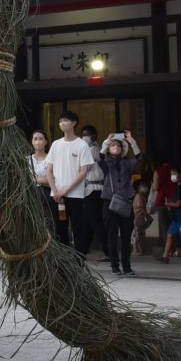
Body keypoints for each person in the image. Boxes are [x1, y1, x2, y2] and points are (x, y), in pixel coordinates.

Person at [96, 131, 140, 275]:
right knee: (112, 235)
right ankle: (115, 266)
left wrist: (132, 142)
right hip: (109, 202)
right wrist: (106, 142)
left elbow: (139, 158)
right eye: (113, 145)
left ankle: (127, 267)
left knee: (126, 235)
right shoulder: (107, 164)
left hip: (126, 202)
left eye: (118, 145)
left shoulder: (127, 163)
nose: (115, 147)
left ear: (122, 149)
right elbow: (100, 157)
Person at [47, 111, 93, 248]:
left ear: (74, 123)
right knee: (60, 228)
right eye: (60, 121)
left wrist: (65, 190)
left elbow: (83, 173)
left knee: (77, 228)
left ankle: (78, 261)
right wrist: (55, 190)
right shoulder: (55, 144)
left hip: (75, 195)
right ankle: (64, 262)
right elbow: (49, 170)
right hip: (56, 196)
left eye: (65, 121)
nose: (62, 123)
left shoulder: (82, 145)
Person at [76, 123, 106, 259]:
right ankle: (82, 251)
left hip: (94, 190)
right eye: (82, 134)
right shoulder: (90, 149)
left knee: (95, 221)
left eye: (87, 134)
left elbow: (84, 168)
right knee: (87, 222)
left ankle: (108, 251)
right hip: (90, 190)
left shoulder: (93, 149)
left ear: (93, 136)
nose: (84, 137)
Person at [29, 130, 57, 233]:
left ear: (46, 142)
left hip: (47, 197)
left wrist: (34, 179)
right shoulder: (27, 160)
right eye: (35, 139)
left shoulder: (51, 159)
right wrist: (42, 179)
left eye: (41, 139)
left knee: (48, 223)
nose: (38, 141)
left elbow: (53, 179)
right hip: (30, 197)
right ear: (32, 142)